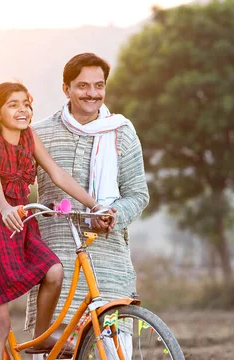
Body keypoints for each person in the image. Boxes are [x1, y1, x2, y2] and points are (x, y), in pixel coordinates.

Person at [0, 82, 106, 360]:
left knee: (54, 270)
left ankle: (41, 337)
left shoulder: (29, 137)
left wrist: (95, 205)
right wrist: (5, 207)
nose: (23, 110)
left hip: (22, 222)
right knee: (0, 325)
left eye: (25, 103)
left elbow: (58, 174)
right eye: (13, 104)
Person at [25, 53, 150, 350]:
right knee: (54, 350)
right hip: (58, 268)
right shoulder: (39, 134)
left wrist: (113, 213)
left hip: (109, 266)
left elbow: (138, 193)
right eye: (82, 86)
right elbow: (15, 186)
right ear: (66, 88)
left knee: (114, 351)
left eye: (99, 85)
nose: (92, 93)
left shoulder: (121, 132)